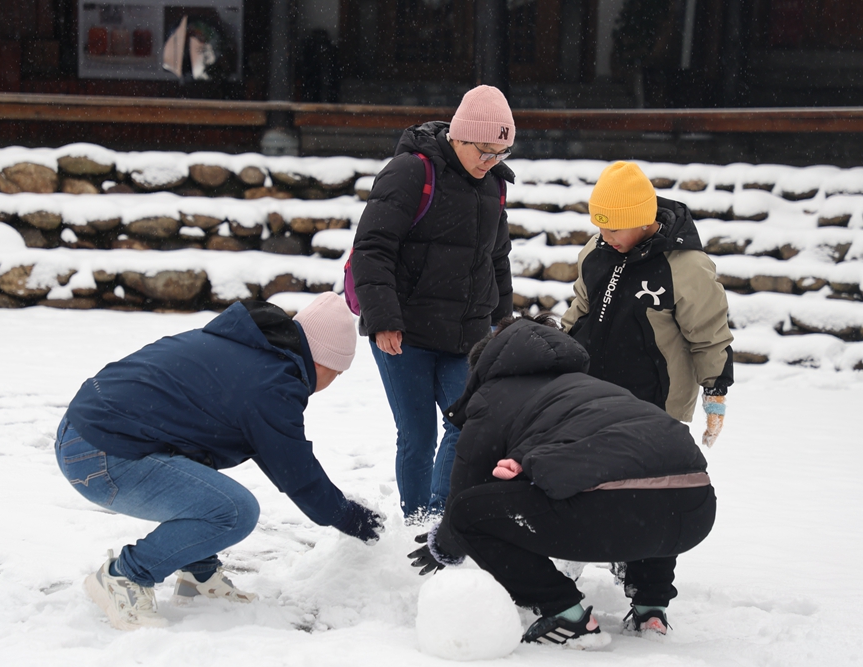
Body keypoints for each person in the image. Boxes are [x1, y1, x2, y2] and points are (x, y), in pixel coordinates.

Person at [54, 292, 383, 631]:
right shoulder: (272, 385)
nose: (332, 382)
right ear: (324, 362)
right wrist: (349, 517)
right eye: (338, 373)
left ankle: (199, 575)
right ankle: (125, 576)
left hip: (85, 431)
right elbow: (296, 472)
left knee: (206, 476)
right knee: (234, 511)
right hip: (101, 454)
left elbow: (274, 456)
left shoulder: (250, 349)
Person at [408, 315, 716, 647]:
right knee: (649, 481)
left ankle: (565, 613)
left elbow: (466, 491)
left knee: (469, 514)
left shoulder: (493, 395)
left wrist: (446, 543)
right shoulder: (590, 386)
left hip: (617, 512)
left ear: (485, 366)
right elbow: (650, 471)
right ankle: (650, 607)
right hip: (695, 510)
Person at [350, 84, 515, 519]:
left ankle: (441, 522)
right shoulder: (411, 171)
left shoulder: (494, 184)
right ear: (459, 137)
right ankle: (417, 522)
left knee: (471, 422)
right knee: (418, 435)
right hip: (406, 334)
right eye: (484, 151)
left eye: (502, 153)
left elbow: (496, 258)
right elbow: (372, 248)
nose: (491, 161)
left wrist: (504, 322)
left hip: (467, 334)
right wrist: (384, 319)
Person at [561, 161, 734, 447]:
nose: (605, 237)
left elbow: (709, 333)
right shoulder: (595, 251)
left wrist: (715, 393)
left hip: (651, 401)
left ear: (642, 219)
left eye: (614, 229)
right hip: (587, 392)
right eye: (600, 227)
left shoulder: (685, 265)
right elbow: (580, 308)